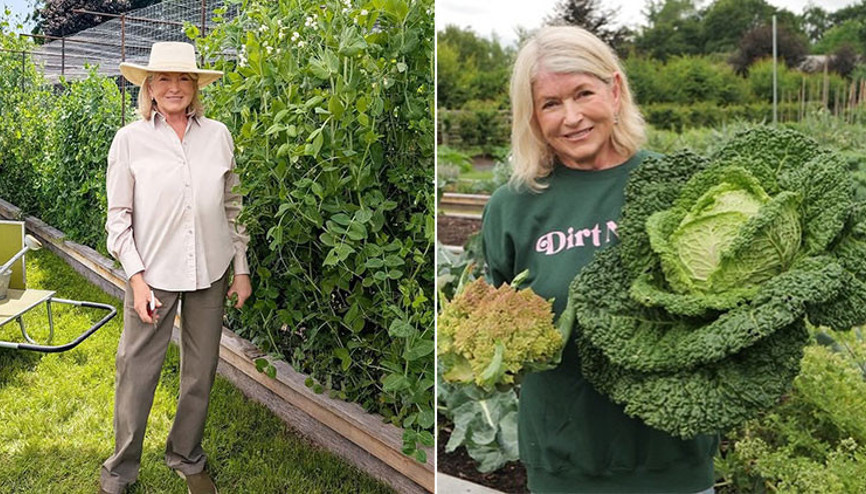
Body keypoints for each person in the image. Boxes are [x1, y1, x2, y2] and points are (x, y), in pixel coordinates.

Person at [481, 26, 718, 493]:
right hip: (565, 461)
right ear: (532, 116)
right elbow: (501, 319)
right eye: (550, 104)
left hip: (671, 458)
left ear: (614, 91)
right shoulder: (513, 207)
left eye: (582, 93)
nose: (570, 117)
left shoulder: (677, 187)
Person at [100, 41, 252, 494]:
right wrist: (137, 277)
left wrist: (240, 267)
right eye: (163, 78)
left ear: (195, 86)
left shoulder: (218, 135)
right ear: (148, 86)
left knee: (201, 369)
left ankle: (186, 456)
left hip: (212, 268)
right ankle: (120, 469)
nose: (174, 87)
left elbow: (233, 206)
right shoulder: (131, 140)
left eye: (183, 78)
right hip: (153, 275)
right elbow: (118, 218)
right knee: (137, 371)